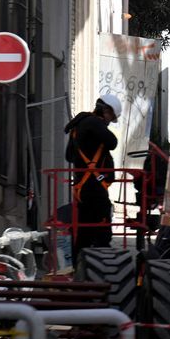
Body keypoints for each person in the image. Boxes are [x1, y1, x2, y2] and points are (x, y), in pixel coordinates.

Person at [64, 93, 121, 254]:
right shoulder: (94, 123)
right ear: (106, 111)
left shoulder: (78, 126)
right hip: (93, 185)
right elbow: (112, 142)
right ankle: (103, 255)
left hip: (82, 185)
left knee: (84, 227)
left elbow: (69, 155)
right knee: (102, 217)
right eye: (111, 117)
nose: (110, 122)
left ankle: (80, 262)